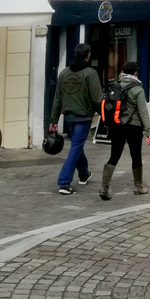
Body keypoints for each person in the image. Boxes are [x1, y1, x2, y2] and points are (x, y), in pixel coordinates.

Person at [49, 43, 103, 195]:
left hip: (69, 117)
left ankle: (84, 174)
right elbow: (97, 98)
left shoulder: (64, 73)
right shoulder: (90, 73)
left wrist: (53, 120)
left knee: (76, 145)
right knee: (76, 147)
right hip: (83, 116)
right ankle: (64, 182)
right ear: (88, 55)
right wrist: (105, 116)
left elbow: (58, 98)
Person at [98, 61, 150, 200]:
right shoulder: (137, 89)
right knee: (136, 156)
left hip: (117, 126)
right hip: (134, 127)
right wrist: (148, 130)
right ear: (135, 72)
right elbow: (143, 112)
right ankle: (139, 187)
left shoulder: (116, 86)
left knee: (114, 155)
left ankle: (104, 188)